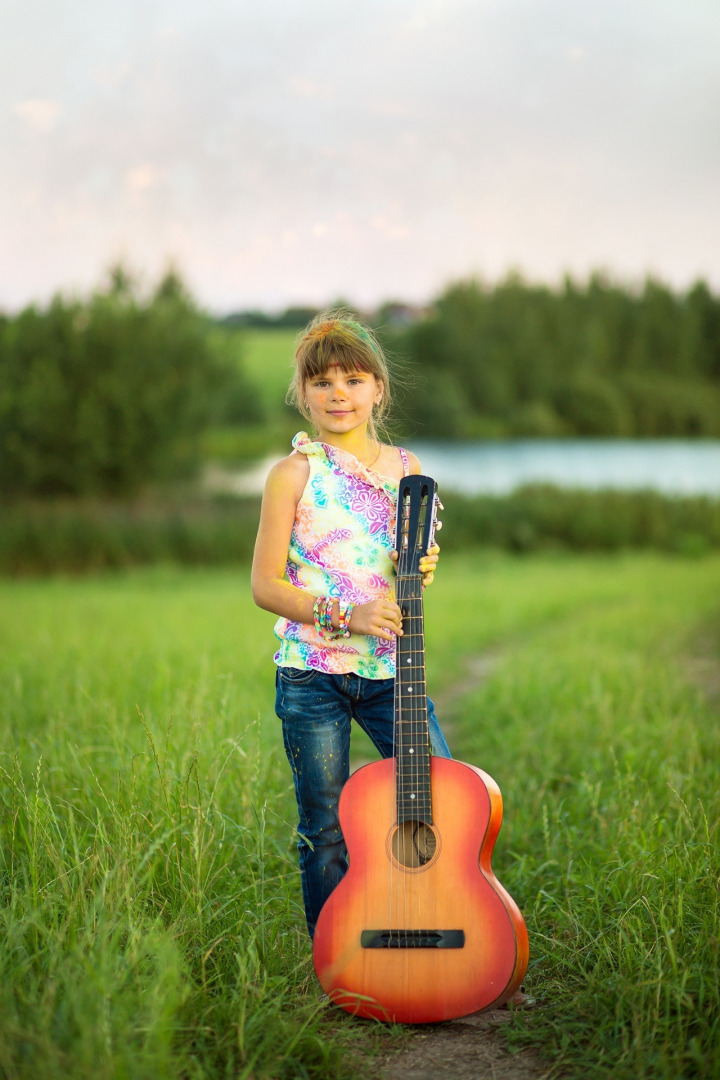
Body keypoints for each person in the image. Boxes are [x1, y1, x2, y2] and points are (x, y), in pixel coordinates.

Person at [251, 312, 450, 939]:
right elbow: (265, 587)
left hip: (391, 670)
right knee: (326, 826)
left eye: (354, 379)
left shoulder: (406, 466)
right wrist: (349, 614)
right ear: (303, 394)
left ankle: (438, 925)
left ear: (378, 390)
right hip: (313, 675)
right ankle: (338, 955)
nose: (339, 394)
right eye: (323, 382)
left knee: (442, 801)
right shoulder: (293, 475)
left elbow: (403, 563)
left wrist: (420, 569)